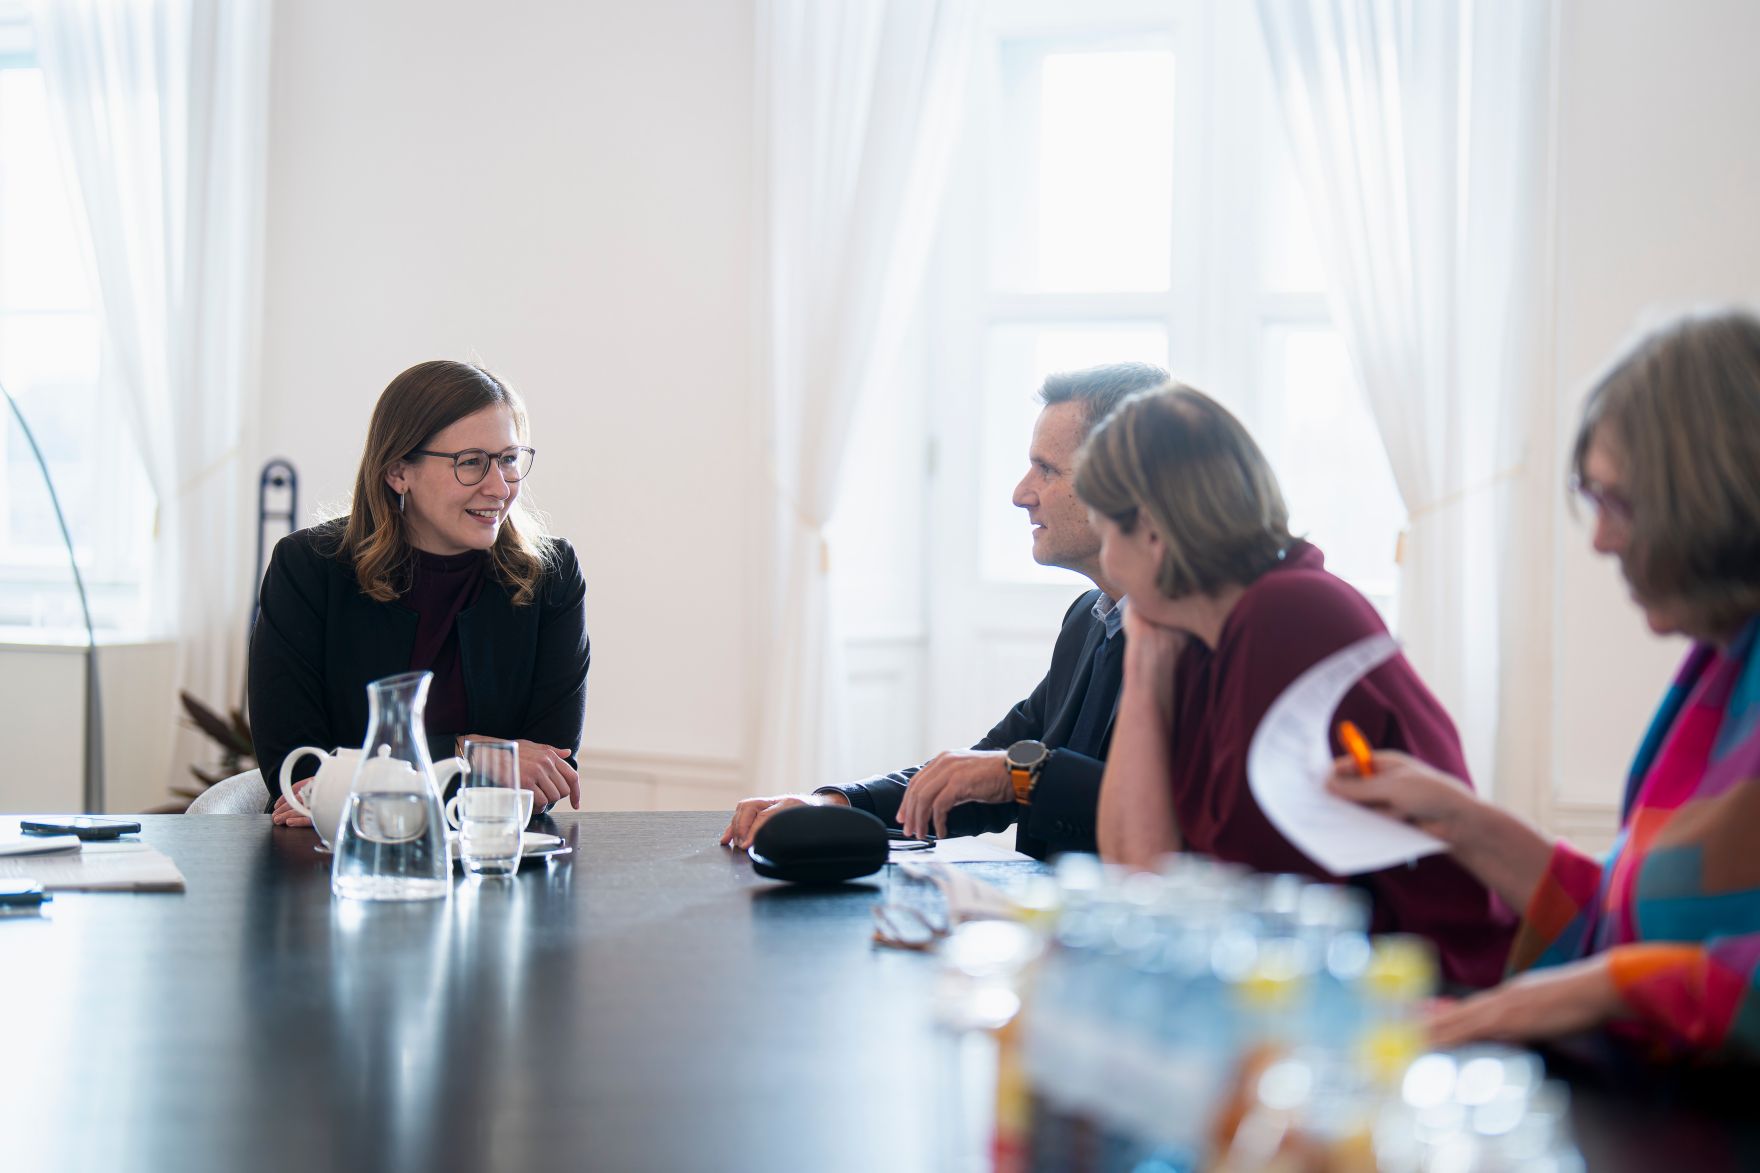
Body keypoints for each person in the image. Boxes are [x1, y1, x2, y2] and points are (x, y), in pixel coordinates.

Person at [1328, 310, 1760, 1053]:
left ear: (1711, 497)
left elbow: (1647, 967)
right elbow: (1626, 925)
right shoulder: (1719, 665)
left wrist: (1585, 991)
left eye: (1619, 503)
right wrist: (1457, 816)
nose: (1600, 539)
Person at [1075, 384, 1514, 988]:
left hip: (1420, 987)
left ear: (1151, 534)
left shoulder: (1287, 615)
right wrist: (1144, 673)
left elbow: (1245, 898)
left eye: (1105, 535)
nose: (1106, 562)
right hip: (1317, 979)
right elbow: (1140, 876)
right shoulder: (1201, 633)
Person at [720, 362, 1171, 859]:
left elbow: (1166, 810)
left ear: (1123, 485)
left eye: (1046, 469)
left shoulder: (1200, 635)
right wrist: (836, 804)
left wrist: (1020, 775)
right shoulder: (1088, 619)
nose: (1021, 494)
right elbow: (981, 772)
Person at [252, 360, 589, 820]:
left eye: (509, 459)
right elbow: (299, 771)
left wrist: (362, 782)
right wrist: (467, 752)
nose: (499, 487)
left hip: (495, 851)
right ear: (398, 472)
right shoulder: (309, 568)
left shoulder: (552, 575)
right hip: (334, 856)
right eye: (471, 462)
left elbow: (545, 776)